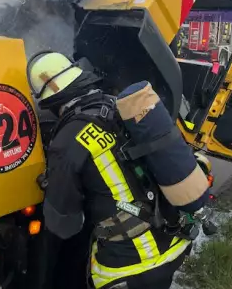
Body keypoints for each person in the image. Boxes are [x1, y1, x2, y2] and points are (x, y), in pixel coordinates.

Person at [27, 51, 203, 289]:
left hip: (132, 265)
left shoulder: (66, 141)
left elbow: (64, 225)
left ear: (51, 102)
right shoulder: (118, 106)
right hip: (171, 242)